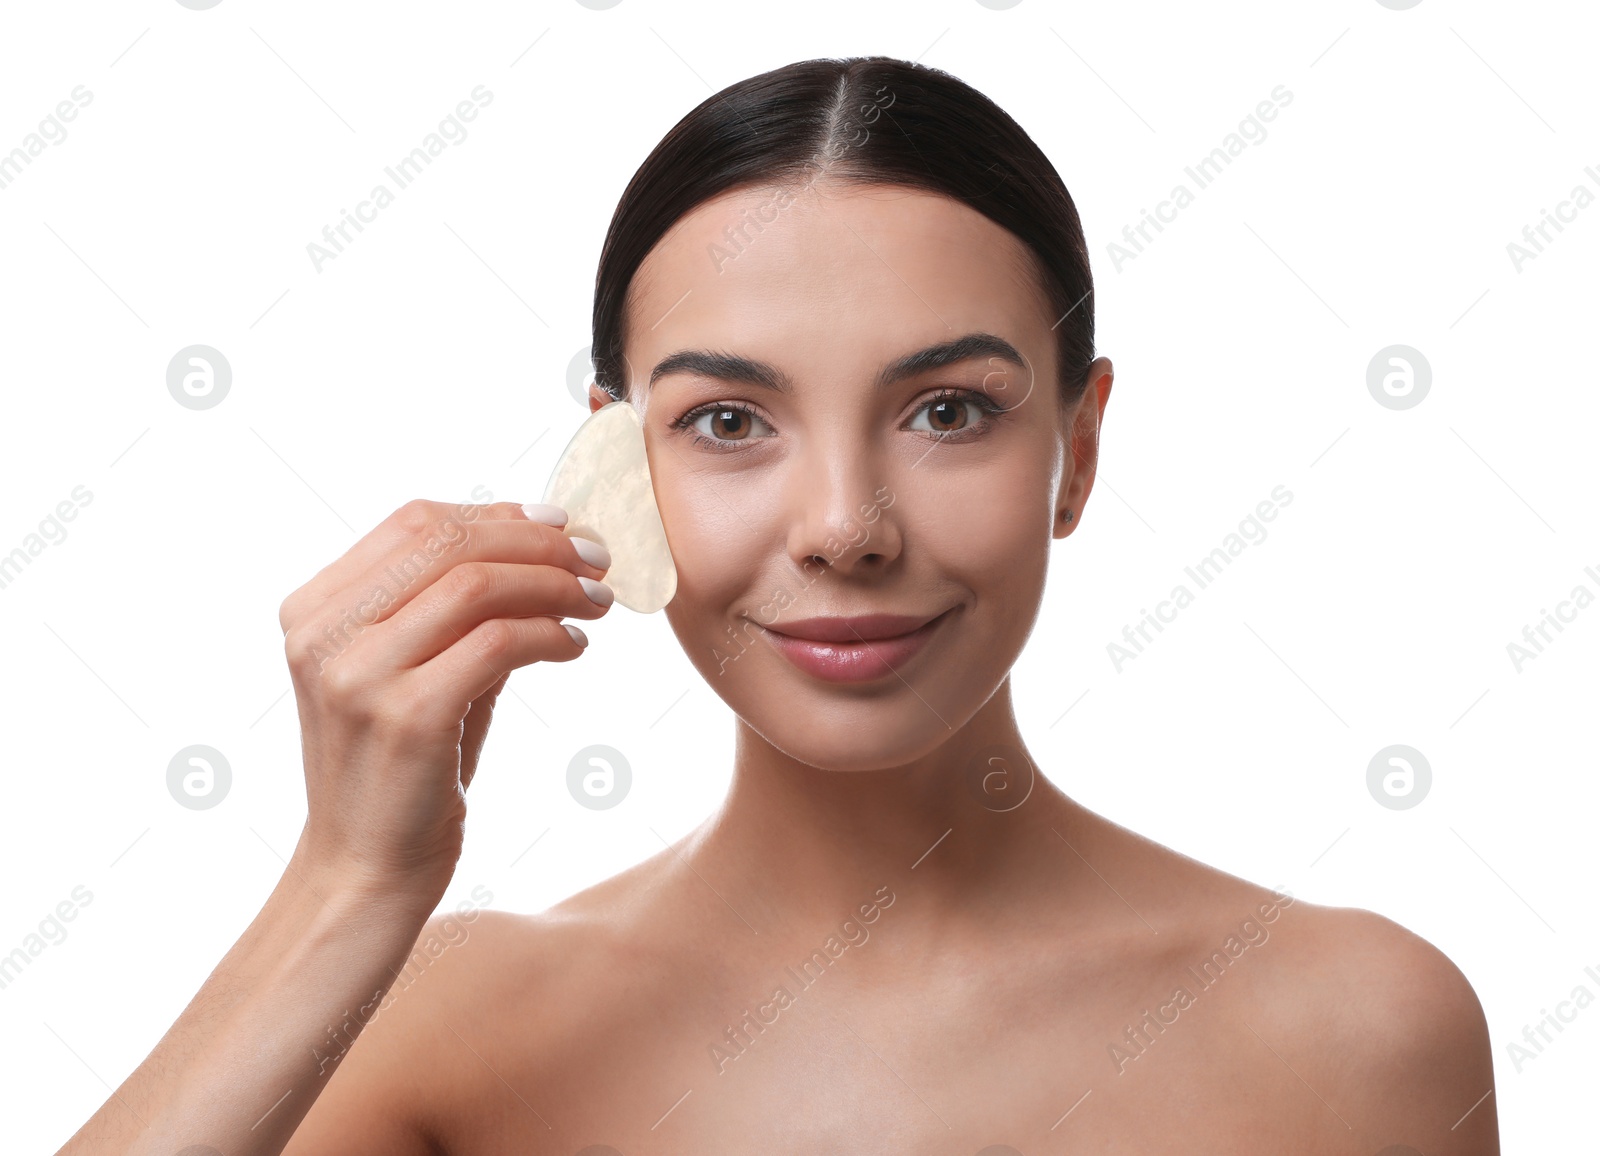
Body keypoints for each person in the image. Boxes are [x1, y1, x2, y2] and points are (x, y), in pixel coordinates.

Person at [58, 55, 1498, 1156]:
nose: (844, 529)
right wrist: (344, 884)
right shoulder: (439, 1023)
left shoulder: (1356, 1028)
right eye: (730, 422)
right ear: (614, 464)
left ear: (1081, 446)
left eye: (947, 408)